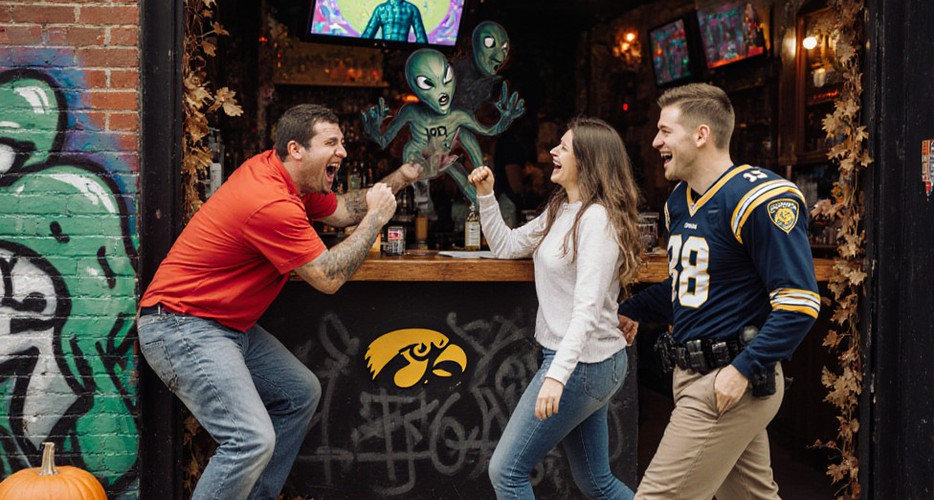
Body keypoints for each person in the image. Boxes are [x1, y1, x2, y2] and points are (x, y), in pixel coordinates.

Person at [137, 104, 421, 500]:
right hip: (181, 325)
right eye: (332, 143)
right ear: (297, 149)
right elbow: (327, 277)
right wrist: (375, 220)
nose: (343, 151)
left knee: (299, 393)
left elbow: (342, 211)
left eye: (342, 143)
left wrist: (400, 179)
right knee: (249, 439)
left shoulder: (290, 179)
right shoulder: (270, 201)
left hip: (224, 326)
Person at [617, 83, 820, 499]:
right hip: (696, 374)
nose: (655, 142)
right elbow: (691, 287)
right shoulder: (678, 201)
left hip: (728, 380)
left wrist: (742, 370)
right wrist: (632, 308)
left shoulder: (759, 196)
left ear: (701, 135)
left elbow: (799, 304)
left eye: (664, 131)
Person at [468, 116, 642, 499]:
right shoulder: (563, 208)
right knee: (595, 482)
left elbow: (586, 310)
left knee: (506, 471)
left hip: (583, 364)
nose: (552, 153)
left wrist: (555, 376)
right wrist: (486, 194)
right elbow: (507, 246)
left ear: (588, 160)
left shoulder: (597, 220)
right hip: (585, 361)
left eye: (563, 147)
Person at [361, 0, 427, 44]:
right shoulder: (380, 9)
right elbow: (367, 35)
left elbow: (421, 39)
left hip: (403, 52)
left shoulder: (412, 9)